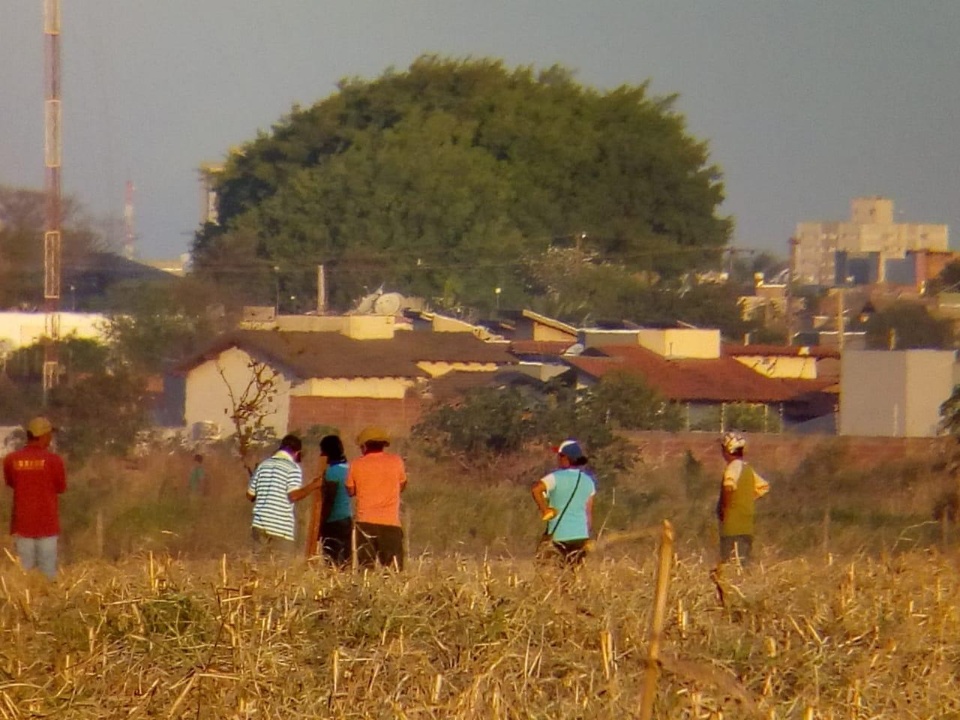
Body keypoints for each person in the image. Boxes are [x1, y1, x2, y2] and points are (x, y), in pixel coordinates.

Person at [2, 416, 67, 580]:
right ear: (44, 436)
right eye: (50, 434)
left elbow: (11, 482)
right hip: (47, 525)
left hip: (22, 525)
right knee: (47, 575)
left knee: (24, 576)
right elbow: (61, 487)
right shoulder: (54, 461)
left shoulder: (11, 460)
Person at [345, 426, 407, 570]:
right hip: (391, 524)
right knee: (393, 571)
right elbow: (402, 485)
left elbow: (350, 490)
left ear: (364, 446)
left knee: (366, 569)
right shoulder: (396, 461)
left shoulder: (357, 464)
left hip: (365, 523)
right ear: (383, 445)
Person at [531, 439, 596, 567]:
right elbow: (588, 513)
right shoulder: (588, 481)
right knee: (573, 574)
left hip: (559, 536)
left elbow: (535, 490)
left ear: (565, 458)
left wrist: (545, 510)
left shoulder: (554, 478)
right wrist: (588, 535)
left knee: (552, 572)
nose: (558, 458)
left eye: (559, 455)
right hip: (580, 536)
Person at [716, 431, 770, 566]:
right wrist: (745, 500)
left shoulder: (731, 468)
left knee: (730, 562)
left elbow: (729, 486)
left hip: (732, 525)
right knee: (743, 562)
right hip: (747, 523)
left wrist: (725, 508)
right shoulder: (748, 469)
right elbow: (763, 487)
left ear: (728, 450)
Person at [246, 434, 304, 556]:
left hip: (259, 524)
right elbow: (293, 496)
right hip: (280, 528)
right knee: (280, 571)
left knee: (259, 568)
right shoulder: (293, 468)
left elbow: (250, 495)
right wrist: (314, 486)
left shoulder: (264, 465)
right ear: (297, 452)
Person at [317, 435, 352, 567]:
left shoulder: (331, 472)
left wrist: (321, 522)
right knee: (345, 560)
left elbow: (329, 500)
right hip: (347, 519)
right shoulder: (348, 468)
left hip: (333, 522)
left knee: (332, 561)